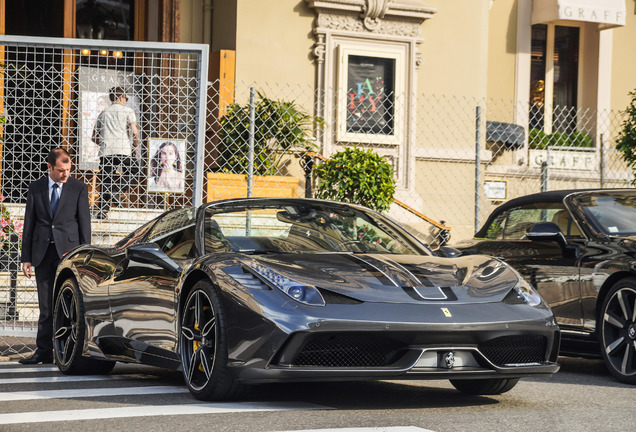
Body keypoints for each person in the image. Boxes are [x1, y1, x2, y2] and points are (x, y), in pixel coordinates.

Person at [19, 148, 91, 364]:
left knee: (69, 304)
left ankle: (67, 350)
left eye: (68, 170)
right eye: (61, 170)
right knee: (45, 307)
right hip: (42, 253)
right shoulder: (36, 188)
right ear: (49, 167)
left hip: (68, 254)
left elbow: (84, 223)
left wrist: (85, 254)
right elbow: (29, 223)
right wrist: (26, 258)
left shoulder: (78, 188)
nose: (65, 174)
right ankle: (43, 352)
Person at [92, 86, 140, 219]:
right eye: (126, 98)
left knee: (106, 179)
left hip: (106, 150)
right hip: (124, 150)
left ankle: (103, 210)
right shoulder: (127, 111)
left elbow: (93, 137)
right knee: (135, 171)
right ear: (121, 97)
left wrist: (103, 143)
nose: (126, 100)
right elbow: (135, 132)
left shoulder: (104, 113)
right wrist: (135, 146)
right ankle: (118, 190)